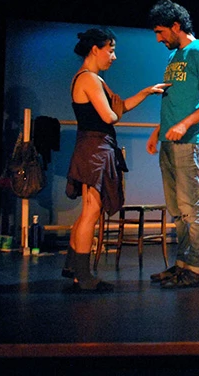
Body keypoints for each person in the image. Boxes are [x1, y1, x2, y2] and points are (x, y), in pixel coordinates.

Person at [63, 27, 169, 292]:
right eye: (110, 50)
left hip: (96, 146)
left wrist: (146, 92)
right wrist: (112, 112)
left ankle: (74, 268)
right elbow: (109, 116)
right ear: (95, 49)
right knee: (91, 211)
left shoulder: (92, 79)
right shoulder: (88, 79)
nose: (114, 56)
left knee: (88, 211)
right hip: (94, 148)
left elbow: (118, 107)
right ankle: (84, 276)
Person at [146, 0, 199, 288]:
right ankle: (182, 263)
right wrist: (159, 129)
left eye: (160, 32)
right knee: (178, 209)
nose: (158, 39)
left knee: (193, 206)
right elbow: (176, 99)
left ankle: (196, 268)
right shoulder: (173, 56)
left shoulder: (198, 50)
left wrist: (185, 124)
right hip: (169, 141)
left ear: (176, 26)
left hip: (189, 142)